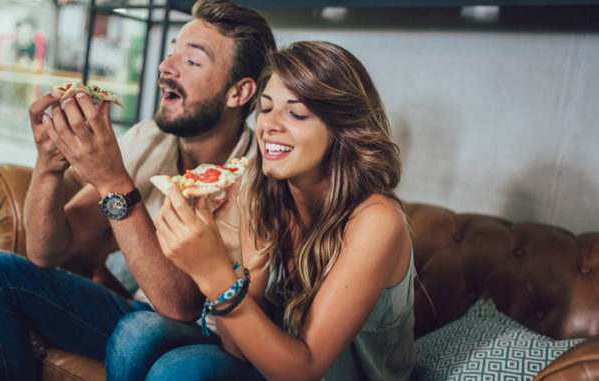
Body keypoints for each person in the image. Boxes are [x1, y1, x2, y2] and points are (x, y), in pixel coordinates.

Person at [0, 0, 275, 380]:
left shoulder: (259, 173)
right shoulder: (148, 138)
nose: (165, 66)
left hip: (217, 334)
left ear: (239, 93)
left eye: (192, 61)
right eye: (172, 50)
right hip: (141, 313)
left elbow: (181, 306)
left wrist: (112, 182)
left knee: (141, 330)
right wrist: (48, 165)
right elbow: (47, 251)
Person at [133, 40, 417, 380]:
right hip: (270, 366)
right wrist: (218, 253)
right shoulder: (261, 195)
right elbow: (238, 348)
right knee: (137, 334)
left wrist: (211, 271)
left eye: (296, 113)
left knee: (176, 371)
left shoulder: (377, 222)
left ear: (344, 129)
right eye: (266, 109)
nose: (270, 125)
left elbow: (304, 370)